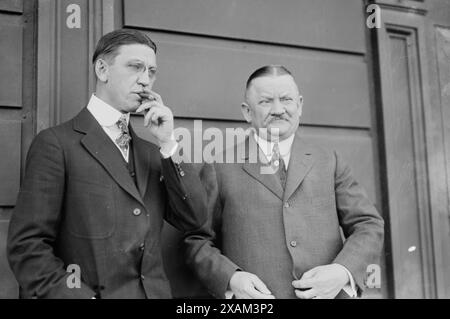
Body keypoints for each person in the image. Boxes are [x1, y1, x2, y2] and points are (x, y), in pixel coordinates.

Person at [7, 29, 206, 299]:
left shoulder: (153, 152)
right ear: (102, 69)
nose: (145, 80)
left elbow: (193, 217)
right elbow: (28, 247)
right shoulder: (56, 144)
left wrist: (168, 142)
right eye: (135, 67)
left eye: (151, 72)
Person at [185, 65, 385, 299]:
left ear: (299, 105)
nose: (278, 109)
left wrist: (342, 272)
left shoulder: (329, 161)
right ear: (247, 112)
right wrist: (231, 279)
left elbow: (368, 224)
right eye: (266, 101)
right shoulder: (219, 168)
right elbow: (196, 240)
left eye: (286, 99)